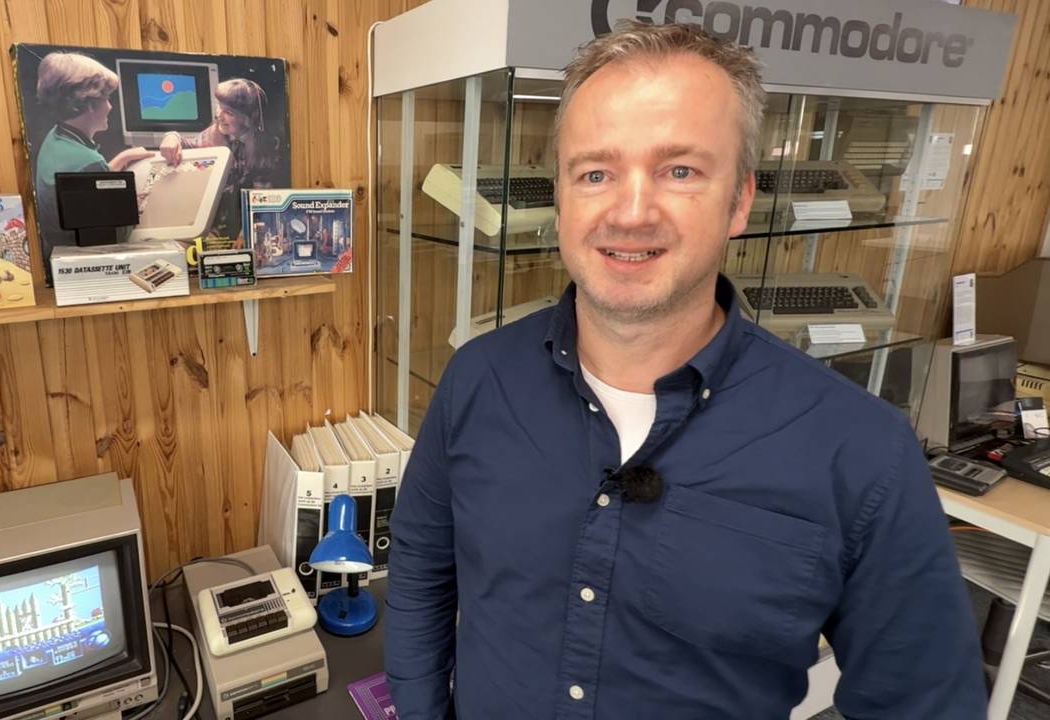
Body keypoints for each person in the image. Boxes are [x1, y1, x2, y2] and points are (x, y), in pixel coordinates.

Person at [385, 20, 985, 720]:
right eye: (596, 172)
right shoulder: (477, 381)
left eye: (679, 171)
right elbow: (422, 569)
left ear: (739, 201)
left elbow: (926, 703)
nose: (631, 212)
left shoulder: (863, 453)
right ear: (562, 195)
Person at [33, 53, 152, 272]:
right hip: (89, 265)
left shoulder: (55, 137)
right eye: (106, 99)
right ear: (88, 104)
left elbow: (87, 184)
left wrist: (122, 159)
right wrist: (129, 206)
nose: (109, 107)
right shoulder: (88, 163)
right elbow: (115, 237)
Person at [158, 78, 284, 243]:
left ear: (248, 118)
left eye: (229, 112)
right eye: (219, 107)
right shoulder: (212, 136)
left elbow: (264, 198)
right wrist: (171, 137)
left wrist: (247, 232)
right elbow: (187, 142)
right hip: (213, 230)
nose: (218, 115)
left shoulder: (267, 146)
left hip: (247, 227)